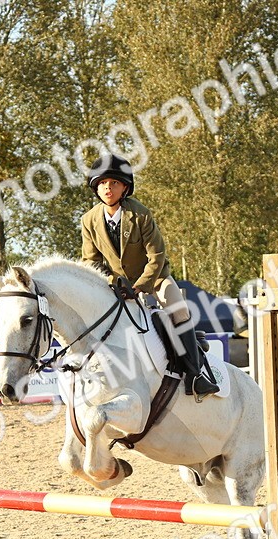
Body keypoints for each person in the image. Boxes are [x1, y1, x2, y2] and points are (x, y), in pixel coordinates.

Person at [79, 154, 218, 397]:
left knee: (177, 307)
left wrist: (141, 286)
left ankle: (195, 375)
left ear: (125, 187)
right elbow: (92, 262)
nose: (107, 188)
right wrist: (108, 286)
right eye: (102, 183)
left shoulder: (140, 214)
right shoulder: (89, 220)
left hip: (154, 278)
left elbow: (157, 256)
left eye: (113, 183)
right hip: (117, 283)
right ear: (95, 188)